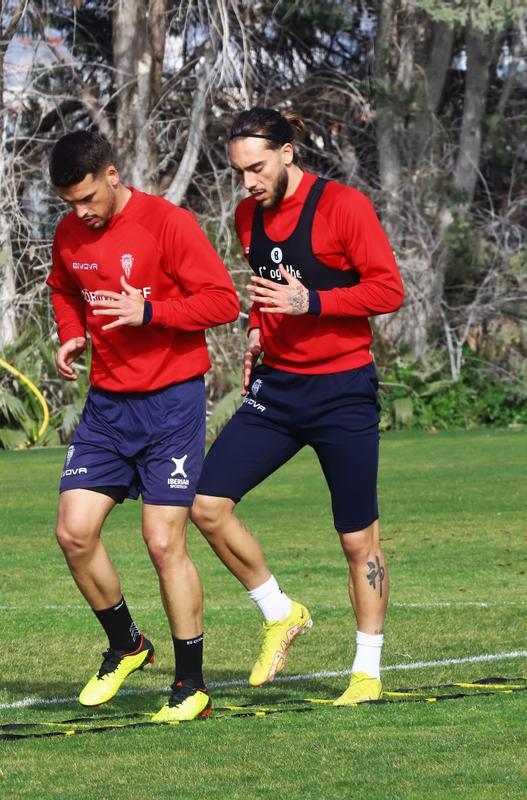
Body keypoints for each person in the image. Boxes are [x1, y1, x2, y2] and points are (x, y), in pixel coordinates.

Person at [190, 108, 405, 705]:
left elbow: (388, 289)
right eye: (239, 172)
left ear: (288, 153)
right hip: (278, 390)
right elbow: (267, 291)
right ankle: (280, 612)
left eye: (257, 168)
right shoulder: (247, 215)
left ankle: (366, 672)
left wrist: (313, 302)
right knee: (206, 505)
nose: (248, 182)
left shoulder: (344, 207)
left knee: (357, 540)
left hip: (343, 392)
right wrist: (258, 331)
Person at [46, 130, 239, 722]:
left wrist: (149, 312)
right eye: (69, 203)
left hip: (171, 404)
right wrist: (71, 333)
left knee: (162, 541)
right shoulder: (69, 233)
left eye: (87, 199)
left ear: (112, 175)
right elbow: (63, 288)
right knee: (74, 532)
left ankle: (191, 685)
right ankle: (127, 644)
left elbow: (223, 301)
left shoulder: (168, 224)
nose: (81, 213)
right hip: (108, 406)